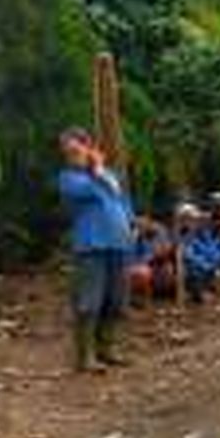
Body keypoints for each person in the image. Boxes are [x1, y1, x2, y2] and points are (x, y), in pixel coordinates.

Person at [57, 128, 134, 372]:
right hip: (91, 246)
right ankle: (85, 357)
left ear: (88, 147)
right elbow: (85, 191)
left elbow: (122, 201)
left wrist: (131, 223)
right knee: (89, 302)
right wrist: (96, 169)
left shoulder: (108, 175)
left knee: (116, 300)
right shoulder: (69, 178)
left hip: (119, 244)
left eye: (76, 149)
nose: (72, 155)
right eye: (68, 152)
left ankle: (107, 349)